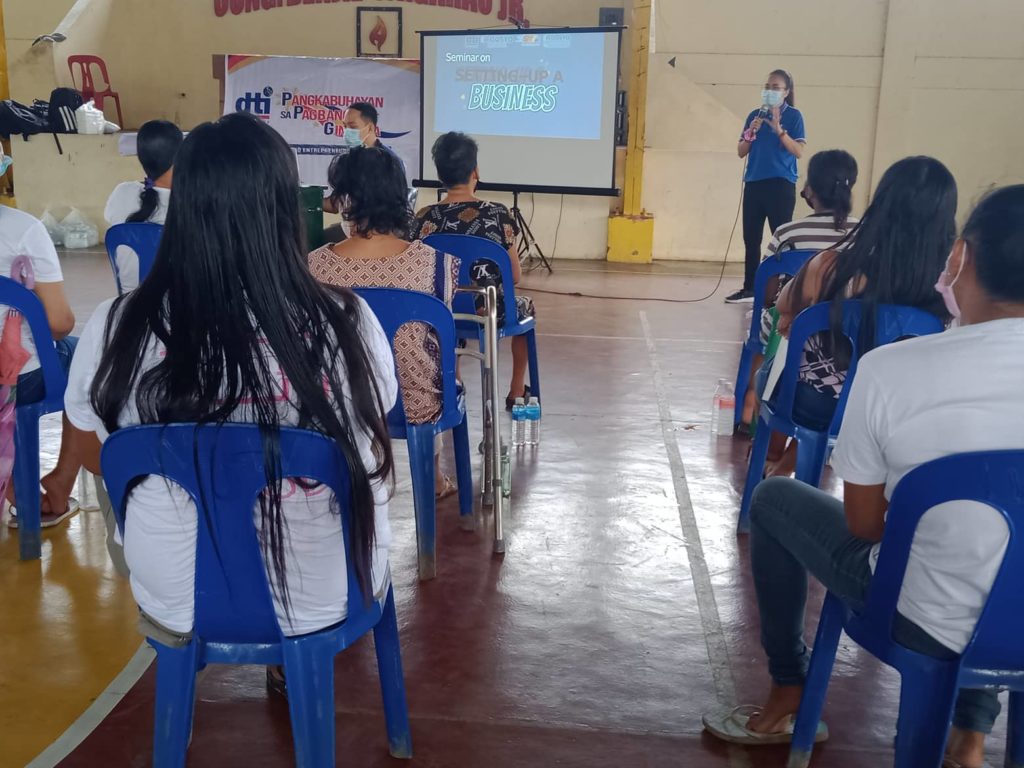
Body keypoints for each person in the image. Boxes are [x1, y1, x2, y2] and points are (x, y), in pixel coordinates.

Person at [703, 184, 1024, 768]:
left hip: (920, 616)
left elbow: (866, 524)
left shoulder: (893, 369)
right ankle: (970, 737)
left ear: (962, 258)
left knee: (775, 499)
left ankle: (788, 689)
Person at [64, 114, 398, 659]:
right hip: (323, 594)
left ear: (184, 205)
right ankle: (295, 666)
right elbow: (370, 431)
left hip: (177, 598)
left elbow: (95, 455)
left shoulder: (116, 322)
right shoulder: (346, 319)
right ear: (285, 209)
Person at [758, 156, 954, 477]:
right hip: (897, 415)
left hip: (813, 404)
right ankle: (789, 465)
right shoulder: (947, 290)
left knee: (791, 351)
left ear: (880, 207)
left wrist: (797, 316)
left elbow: (781, 304)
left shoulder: (831, 266)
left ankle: (781, 467)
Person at [308, 146, 461, 499]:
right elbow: (440, 339)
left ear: (345, 199)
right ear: (400, 196)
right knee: (429, 363)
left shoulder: (314, 266)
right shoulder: (435, 264)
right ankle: (435, 477)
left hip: (336, 405)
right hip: (414, 404)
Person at [414, 131, 536, 408]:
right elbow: (514, 276)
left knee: (450, 296)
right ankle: (517, 389)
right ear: (475, 171)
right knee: (525, 306)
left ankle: (453, 380)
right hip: (491, 312)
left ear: (441, 176)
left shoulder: (424, 218)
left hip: (439, 311)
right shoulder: (498, 214)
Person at [739, 149, 860, 426]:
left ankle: (751, 400)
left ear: (811, 191)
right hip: (846, 331)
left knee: (768, 323)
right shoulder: (863, 233)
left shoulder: (788, 232)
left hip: (791, 326)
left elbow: (767, 291)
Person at [0, 155, 80, 527]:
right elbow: (59, 323)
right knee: (92, 361)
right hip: (16, 380)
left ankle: (17, 485)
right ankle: (59, 483)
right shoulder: (21, 229)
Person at [726, 69, 806, 304]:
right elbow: (741, 151)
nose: (770, 91)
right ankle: (749, 288)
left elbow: (799, 151)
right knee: (751, 238)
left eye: (776, 87)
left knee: (780, 239)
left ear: (786, 92)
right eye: (768, 86)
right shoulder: (755, 115)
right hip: (754, 183)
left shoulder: (794, 116)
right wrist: (751, 132)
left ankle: (783, 290)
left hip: (780, 185)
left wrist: (779, 130)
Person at [104, 120, 183, 291]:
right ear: (182, 157)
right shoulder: (191, 202)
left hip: (128, 304)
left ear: (141, 157)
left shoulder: (122, 192)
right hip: (179, 310)